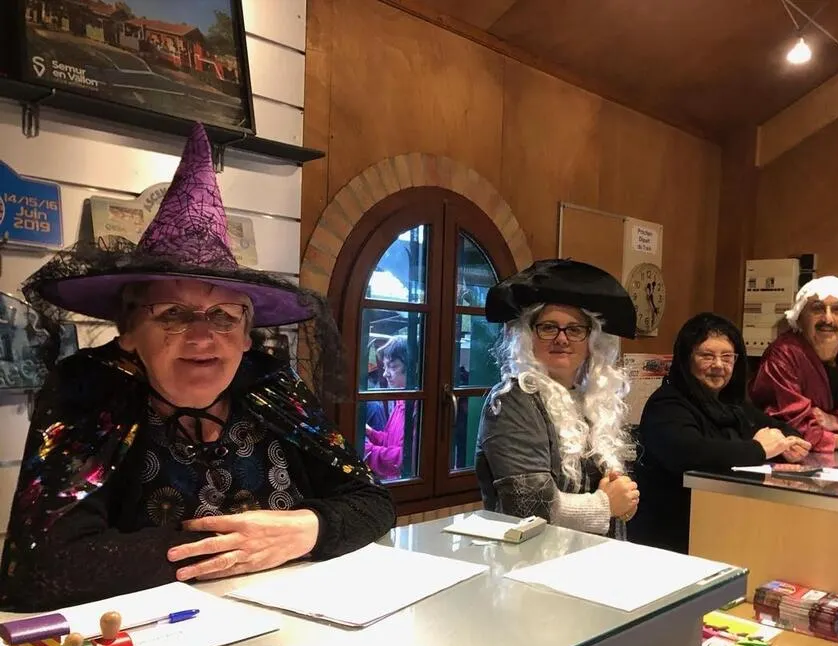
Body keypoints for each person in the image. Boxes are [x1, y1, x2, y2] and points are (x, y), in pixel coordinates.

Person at [0, 124, 396, 611]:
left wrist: (308, 528)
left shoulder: (271, 385)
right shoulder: (89, 391)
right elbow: (40, 569)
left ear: (247, 333)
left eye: (224, 316)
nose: (203, 336)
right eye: (172, 314)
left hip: (295, 626)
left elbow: (373, 501)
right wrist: (238, 547)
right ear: (128, 330)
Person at [476, 259, 639, 536]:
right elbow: (528, 507)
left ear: (591, 341)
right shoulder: (512, 401)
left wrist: (623, 501)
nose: (562, 339)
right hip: (530, 557)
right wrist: (605, 505)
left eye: (575, 329)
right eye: (548, 327)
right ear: (528, 336)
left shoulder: (594, 401)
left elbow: (612, 494)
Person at [631, 313, 810, 553]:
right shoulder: (666, 404)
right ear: (686, 359)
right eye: (707, 355)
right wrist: (758, 449)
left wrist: (789, 444)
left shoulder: (732, 404)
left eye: (727, 357)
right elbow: (691, 453)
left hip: (723, 524)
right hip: (671, 537)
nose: (718, 365)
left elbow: (782, 428)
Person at [750, 276, 838, 453]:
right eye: (817, 309)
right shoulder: (783, 355)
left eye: (837, 310)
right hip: (792, 459)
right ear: (800, 318)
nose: (828, 319)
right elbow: (790, 428)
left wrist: (836, 422)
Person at [364, 335, 408, 480]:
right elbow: (392, 442)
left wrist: (368, 451)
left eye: (393, 366)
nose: (385, 374)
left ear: (413, 367)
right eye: (385, 367)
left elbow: (404, 459)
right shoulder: (402, 401)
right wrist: (371, 433)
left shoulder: (417, 408)